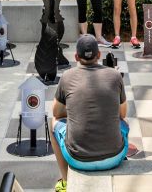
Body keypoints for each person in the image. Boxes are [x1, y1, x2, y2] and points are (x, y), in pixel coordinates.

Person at [49, 35, 129, 190]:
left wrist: (75, 108)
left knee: (53, 123)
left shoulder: (67, 77)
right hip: (115, 157)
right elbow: (122, 114)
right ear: (99, 55)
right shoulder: (115, 75)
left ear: (76, 57)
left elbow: (56, 113)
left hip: (77, 159)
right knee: (124, 123)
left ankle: (65, 182)